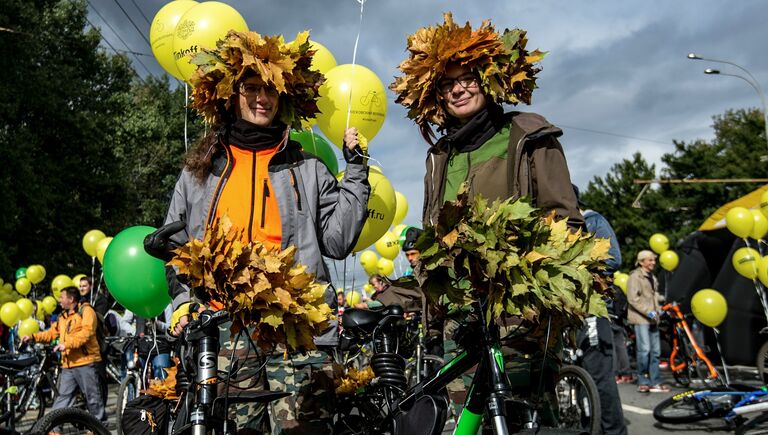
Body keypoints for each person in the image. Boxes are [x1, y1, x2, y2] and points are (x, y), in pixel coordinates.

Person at [146, 30, 370, 434]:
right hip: (227, 326)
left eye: (270, 89)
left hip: (298, 327)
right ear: (232, 95)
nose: (261, 98)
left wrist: (356, 171)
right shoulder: (199, 171)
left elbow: (337, 242)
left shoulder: (308, 167)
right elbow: (177, 246)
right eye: (251, 87)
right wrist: (182, 301)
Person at [390, 13, 584, 416]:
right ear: (436, 95)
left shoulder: (529, 136)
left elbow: (563, 218)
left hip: (521, 308)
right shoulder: (439, 156)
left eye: (468, 78)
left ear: (489, 78)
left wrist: (543, 286)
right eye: (447, 83)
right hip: (460, 310)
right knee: (465, 416)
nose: (459, 90)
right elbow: (433, 231)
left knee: (523, 414)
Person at [573, 185, 627, 435]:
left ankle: (614, 431)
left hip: (591, 308)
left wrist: (573, 266)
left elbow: (613, 258)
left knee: (598, 374)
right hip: (569, 312)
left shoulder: (591, 220)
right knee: (580, 374)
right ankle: (589, 425)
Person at [21, 286, 107, 427]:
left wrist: (66, 344)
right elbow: (50, 333)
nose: (59, 300)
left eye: (62, 297)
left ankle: (99, 427)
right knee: (63, 398)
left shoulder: (86, 311)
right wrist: (32, 337)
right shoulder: (63, 317)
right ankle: (54, 427)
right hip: (68, 364)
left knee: (93, 398)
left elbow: (87, 333)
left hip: (86, 361)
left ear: (71, 299)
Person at [627, 250, 669, 393]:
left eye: (653, 260)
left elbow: (653, 295)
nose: (653, 262)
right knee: (644, 350)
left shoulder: (652, 276)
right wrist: (649, 311)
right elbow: (633, 299)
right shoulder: (635, 276)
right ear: (641, 262)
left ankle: (655, 381)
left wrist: (660, 306)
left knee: (656, 352)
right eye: (650, 260)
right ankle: (642, 381)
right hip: (641, 319)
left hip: (653, 319)